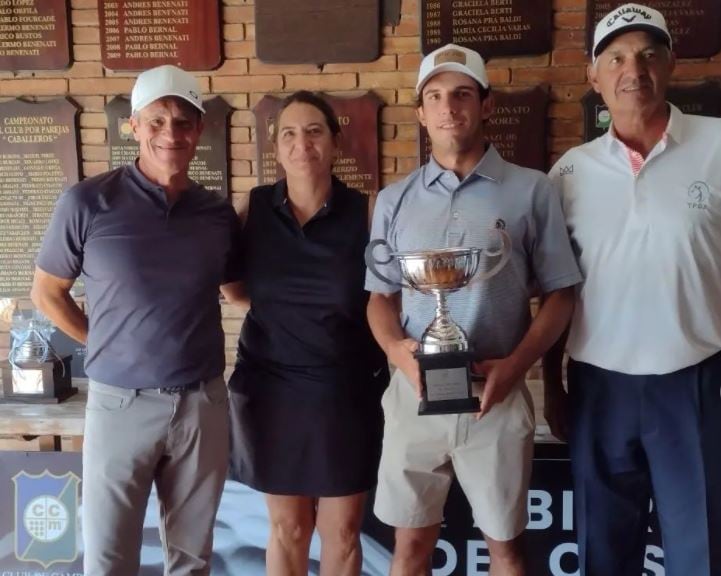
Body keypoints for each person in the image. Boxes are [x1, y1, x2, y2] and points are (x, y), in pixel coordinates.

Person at [365, 43, 581, 576]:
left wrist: (518, 367)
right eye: (434, 96)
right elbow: (380, 298)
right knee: (409, 549)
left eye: (462, 94)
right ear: (419, 111)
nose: (448, 107)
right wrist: (397, 350)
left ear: (485, 104)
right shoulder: (394, 199)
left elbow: (562, 294)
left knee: (506, 548)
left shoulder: (531, 190)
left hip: (496, 398)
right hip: (414, 395)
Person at [30, 65, 240, 576]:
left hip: (201, 404)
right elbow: (47, 293)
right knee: (109, 560)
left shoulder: (216, 213)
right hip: (119, 404)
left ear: (200, 130)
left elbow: (239, 292)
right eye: (158, 120)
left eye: (184, 122)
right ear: (134, 126)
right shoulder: (87, 202)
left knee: (191, 559)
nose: (171, 133)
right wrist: (104, 342)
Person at [545, 4, 721, 575]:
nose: (633, 70)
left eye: (649, 54)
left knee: (702, 551)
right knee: (604, 551)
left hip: (694, 383)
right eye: (616, 58)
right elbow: (554, 288)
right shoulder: (568, 173)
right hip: (599, 388)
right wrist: (552, 382)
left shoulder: (718, 145)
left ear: (671, 64)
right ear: (593, 78)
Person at [220, 90, 389, 576]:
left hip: (345, 390)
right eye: (289, 133)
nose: (302, 144)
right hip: (271, 390)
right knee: (288, 530)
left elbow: (383, 297)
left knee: (341, 532)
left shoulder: (368, 211)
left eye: (314, 131)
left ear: (335, 142)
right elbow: (235, 290)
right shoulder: (251, 208)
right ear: (276, 147)